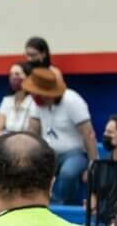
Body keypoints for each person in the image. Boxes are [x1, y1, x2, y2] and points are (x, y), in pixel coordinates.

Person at [24, 67, 97, 205]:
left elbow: (88, 133)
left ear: (47, 94)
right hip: (48, 152)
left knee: (68, 173)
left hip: (75, 153)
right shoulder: (36, 103)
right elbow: (31, 131)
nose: (33, 96)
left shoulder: (72, 101)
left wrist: (93, 166)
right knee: (32, 169)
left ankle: (66, 207)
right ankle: (43, 204)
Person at [0, 63, 36, 141]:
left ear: (28, 77)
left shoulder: (34, 102)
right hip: (7, 145)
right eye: (11, 74)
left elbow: (31, 135)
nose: (13, 77)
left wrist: (2, 135)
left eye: (17, 74)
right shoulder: (7, 100)